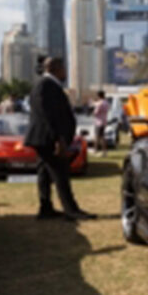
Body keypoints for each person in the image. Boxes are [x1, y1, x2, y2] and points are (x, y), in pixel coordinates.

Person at [24, 57, 94, 221]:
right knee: (60, 173)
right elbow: (48, 115)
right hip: (48, 138)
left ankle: (45, 208)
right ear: (55, 68)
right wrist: (58, 138)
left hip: (45, 138)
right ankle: (71, 210)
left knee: (45, 173)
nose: (65, 72)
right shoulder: (46, 86)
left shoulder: (49, 85)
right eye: (63, 68)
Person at [92, 90, 110, 157]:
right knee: (102, 137)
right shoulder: (106, 102)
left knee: (97, 137)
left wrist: (92, 112)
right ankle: (103, 152)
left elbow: (95, 113)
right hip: (104, 121)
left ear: (98, 96)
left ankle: (97, 151)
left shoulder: (100, 103)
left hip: (98, 122)